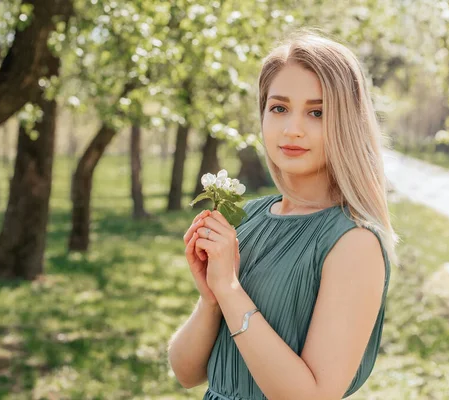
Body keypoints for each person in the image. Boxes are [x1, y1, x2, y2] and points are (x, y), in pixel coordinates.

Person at [168, 29, 399, 400]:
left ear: (346, 123)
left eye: (316, 112)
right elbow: (186, 372)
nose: (292, 129)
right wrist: (211, 298)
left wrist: (229, 289)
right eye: (279, 108)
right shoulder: (247, 218)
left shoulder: (353, 243)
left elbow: (311, 396)